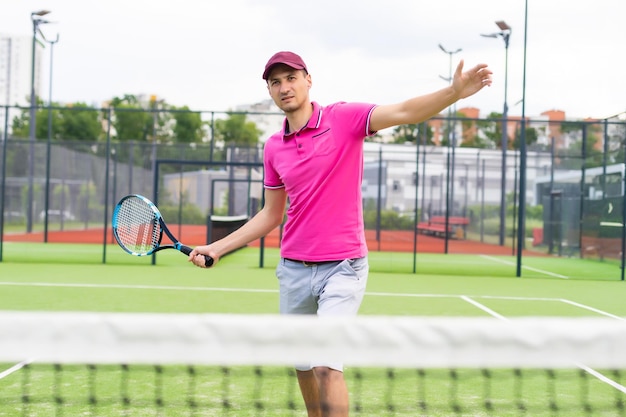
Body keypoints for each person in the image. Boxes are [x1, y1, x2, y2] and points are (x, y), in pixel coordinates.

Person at [189, 51, 492, 417]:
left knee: (325, 365)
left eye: (291, 78)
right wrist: (218, 247)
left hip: (343, 268)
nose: (284, 87)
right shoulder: (273, 147)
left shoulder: (344, 118)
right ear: (270, 90)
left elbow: (404, 111)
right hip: (293, 270)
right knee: (302, 365)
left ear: (308, 80)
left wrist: (453, 93)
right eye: (276, 82)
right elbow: (271, 215)